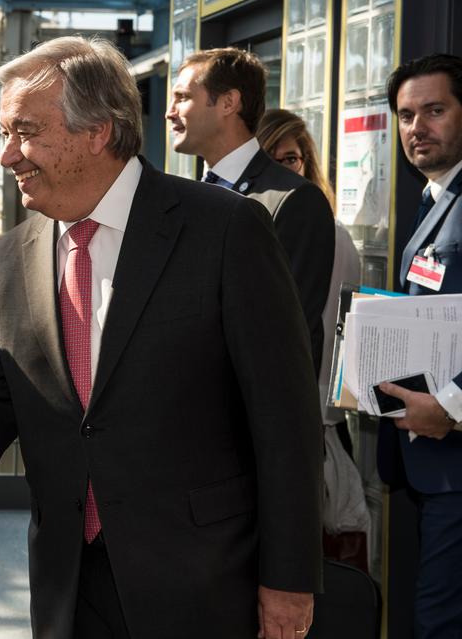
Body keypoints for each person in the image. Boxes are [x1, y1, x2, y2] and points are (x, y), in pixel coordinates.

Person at [0, 37, 323, 638]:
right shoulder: (12, 258)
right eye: (4, 134)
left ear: (98, 130)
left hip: (204, 579)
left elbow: (285, 418)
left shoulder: (225, 229)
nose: (7, 156)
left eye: (24, 132)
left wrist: (288, 579)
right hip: (69, 584)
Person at [168, 48, 336, 375]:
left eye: (183, 97)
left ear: (229, 103)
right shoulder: (184, 197)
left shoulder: (294, 199)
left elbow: (282, 335)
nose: (170, 112)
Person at [257, 109, 369, 570]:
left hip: (314, 429)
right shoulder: (233, 233)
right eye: (272, 161)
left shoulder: (334, 238)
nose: (285, 172)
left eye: (293, 160)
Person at [378, 53, 462, 638]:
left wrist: (453, 408)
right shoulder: (433, 199)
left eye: (435, 110)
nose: (417, 128)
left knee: (438, 622)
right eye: (406, 115)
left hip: (456, 460)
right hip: (428, 465)